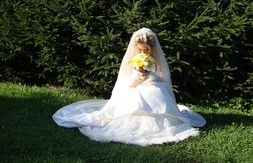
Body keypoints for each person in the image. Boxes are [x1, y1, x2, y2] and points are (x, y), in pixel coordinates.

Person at [52, 28, 206, 146]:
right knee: (137, 97)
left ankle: (163, 124)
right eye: (140, 50)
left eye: (146, 50)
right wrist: (138, 77)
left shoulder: (156, 59)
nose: (143, 52)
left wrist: (150, 76)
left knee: (157, 92)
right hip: (134, 87)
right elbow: (127, 83)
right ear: (136, 48)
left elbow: (162, 79)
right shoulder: (133, 59)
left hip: (153, 87)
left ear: (152, 48)